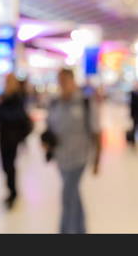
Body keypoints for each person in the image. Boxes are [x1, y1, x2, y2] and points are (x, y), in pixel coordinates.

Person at [45, 68, 101, 234]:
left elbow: (96, 131)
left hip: (79, 157)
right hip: (61, 157)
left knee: (68, 193)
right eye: (60, 81)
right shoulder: (55, 102)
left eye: (65, 80)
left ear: (72, 80)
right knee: (73, 194)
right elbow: (49, 128)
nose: (62, 84)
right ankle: (81, 230)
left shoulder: (85, 101)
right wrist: (47, 142)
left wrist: (97, 159)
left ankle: (64, 231)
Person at [0, 73, 32, 209]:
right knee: (4, 165)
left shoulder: (17, 97)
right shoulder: (4, 96)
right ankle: (11, 190)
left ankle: (13, 192)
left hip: (13, 136)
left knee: (10, 165)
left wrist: (0, 109)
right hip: (3, 135)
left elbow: (16, 115)